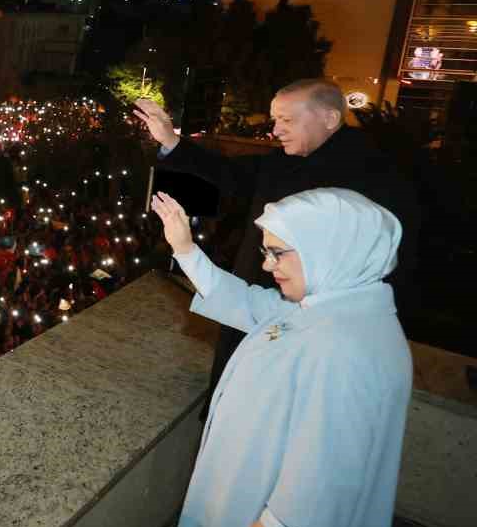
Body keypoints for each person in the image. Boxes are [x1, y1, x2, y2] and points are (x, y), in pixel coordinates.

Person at [151, 188, 410, 527]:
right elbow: (249, 304)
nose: (267, 265)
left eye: (277, 252)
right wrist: (185, 249)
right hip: (258, 499)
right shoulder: (329, 306)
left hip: (275, 525)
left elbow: (336, 451)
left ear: (330, 247)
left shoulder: (349, 343)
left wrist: (279, 526)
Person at [133, 79, 419, 415]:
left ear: (329, 118)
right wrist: (170, 140)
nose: (276, 130)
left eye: (287, 120)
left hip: (307, 337)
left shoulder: (373, 175)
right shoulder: (284, 160)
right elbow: (226, 172)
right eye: (275, 120)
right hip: (259, 304)